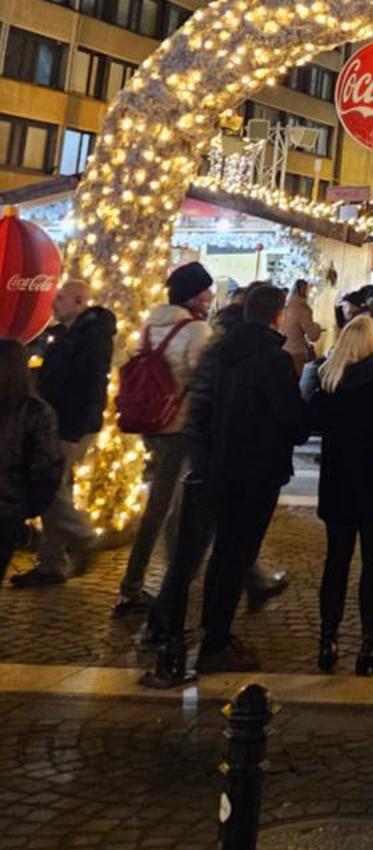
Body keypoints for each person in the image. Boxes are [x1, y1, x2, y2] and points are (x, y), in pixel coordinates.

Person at [195, 282, 313, 672]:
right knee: (238, 555)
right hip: (257, 472)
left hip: (223, 466)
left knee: (224, 555)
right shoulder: (271, 360)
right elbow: (293, 421)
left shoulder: (223, 352)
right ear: (278, 315)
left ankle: (213, 632)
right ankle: (215, 645)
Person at [304, 315, 373, 674]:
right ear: (372, 342)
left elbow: (312, 422)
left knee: (335, 564)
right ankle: (370, 646)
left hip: (336, 485)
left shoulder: (329, 381)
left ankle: (328, 641)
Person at [112, 260, 216, 619]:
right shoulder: (195, 331)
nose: (210, 296)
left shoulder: (148, 327)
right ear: (193, 294)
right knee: (164, 509)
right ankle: (138, 587)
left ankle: (170, 582)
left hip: (149, 425)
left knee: (167, 507)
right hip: (180, 429)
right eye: (206, 290)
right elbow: (204, 381)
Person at [11, 281, 115, 589]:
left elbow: (92, 388)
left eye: (60, 298)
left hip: (69, 427)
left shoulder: (92, 337)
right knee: (57, 489)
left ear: (79, 301)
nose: (54, 302)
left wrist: (71, 432)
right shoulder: (66, 333)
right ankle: (51, 563)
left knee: (50, 489)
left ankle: (83, 539)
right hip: (57, 424)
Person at [0, 338, 61, 582]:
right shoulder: (35, 411)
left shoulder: (33, 411)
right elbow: (46, 466)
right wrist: (29, 506)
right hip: (8, 509)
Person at [282, 277, 323, 375]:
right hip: (297, 353)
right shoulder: (303, 309)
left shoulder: (284, 306)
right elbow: (312, 336)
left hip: (281, 350)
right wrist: (318, 327)